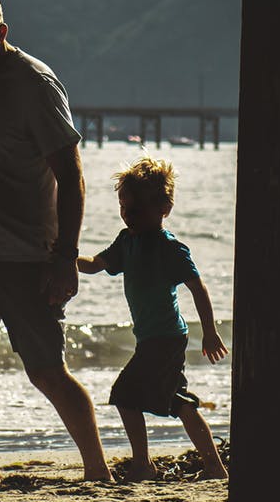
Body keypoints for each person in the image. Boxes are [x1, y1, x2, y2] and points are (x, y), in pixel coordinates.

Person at [0, 0, 112, 494]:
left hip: (28, 257)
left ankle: (99, 471)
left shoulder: (34, 86)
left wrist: (64, 258)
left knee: (47, 373)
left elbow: (71, 176)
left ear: (2, 34)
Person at [77, 156, 229, 481]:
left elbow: (198, 288)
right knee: (179, 402)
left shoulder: (170, 248)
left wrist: (211, 333)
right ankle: (215, 467)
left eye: (137, 209)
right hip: (152, 338)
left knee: (124, 396)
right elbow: (94, 265)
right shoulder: (126, 241)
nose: (128, 215)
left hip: (166, 338)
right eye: (123, 207)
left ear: (164, 208)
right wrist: (65, 257)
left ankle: (143, 465)